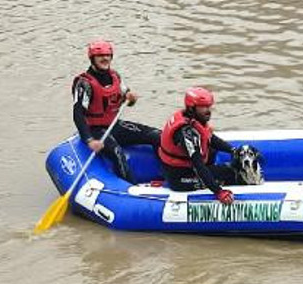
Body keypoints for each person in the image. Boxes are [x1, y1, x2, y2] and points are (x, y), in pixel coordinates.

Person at [72, 40, 161, 184]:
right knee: (117, 153)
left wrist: (131, 99)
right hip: (94, 129)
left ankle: (166, 174)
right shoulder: (85, 84)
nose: (105, 58)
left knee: (157, 136)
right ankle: (131, 188)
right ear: (92, 59)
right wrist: (89, 140)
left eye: (108, 55)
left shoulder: (115, 77)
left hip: (113, 125)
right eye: (100, 56)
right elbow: (78, 114)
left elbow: (128, 101)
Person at [158, 87, 254, 204]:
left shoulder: (194, 120)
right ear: (192, 107)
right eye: (203, 107)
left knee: (214, 153)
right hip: (180, 178)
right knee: (229, 173)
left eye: (209, 106)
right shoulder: (187, 133)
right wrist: (219, 192)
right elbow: (198, 165)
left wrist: (233, 150)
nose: (208, 110)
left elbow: (209, 138)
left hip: (186, 168)